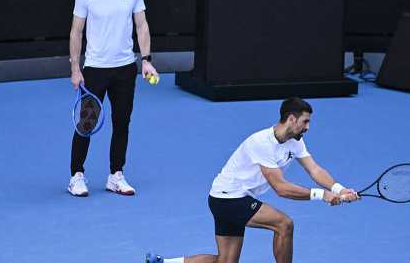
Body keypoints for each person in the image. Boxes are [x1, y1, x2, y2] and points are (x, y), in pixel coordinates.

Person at [146, 97, 360, 263]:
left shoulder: (295, 141)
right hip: (229, 199)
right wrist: (322, 195)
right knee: (284, 224)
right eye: (305, 122)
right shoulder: (261, 143)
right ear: (291, 119)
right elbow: (281, 188)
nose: (308, 127)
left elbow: (314, 169)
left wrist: (339, 189)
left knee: (225, 261)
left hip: (226, 198)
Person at [67, 0, 157, 197]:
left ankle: (116, 175)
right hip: (95, 69)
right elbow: (76, 32)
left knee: (122, 123)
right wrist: (75, 68)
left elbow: (142, 25)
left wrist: (146, 60)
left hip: (125, 68)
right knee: (86, 123)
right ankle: (76, 176)